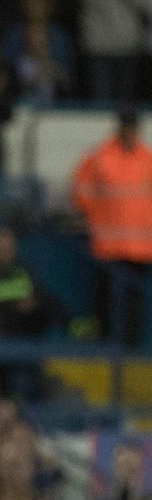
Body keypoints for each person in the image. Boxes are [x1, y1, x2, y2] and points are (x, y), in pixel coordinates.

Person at [72, 106, 152, 346]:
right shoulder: (100, 157)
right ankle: (106, 342)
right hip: (108, 244)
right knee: (106, 299)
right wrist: (95, 215)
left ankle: (130, 346)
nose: (129, 131)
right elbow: (81, 190)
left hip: (140, 246)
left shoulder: (147, 159)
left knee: (134, 300)